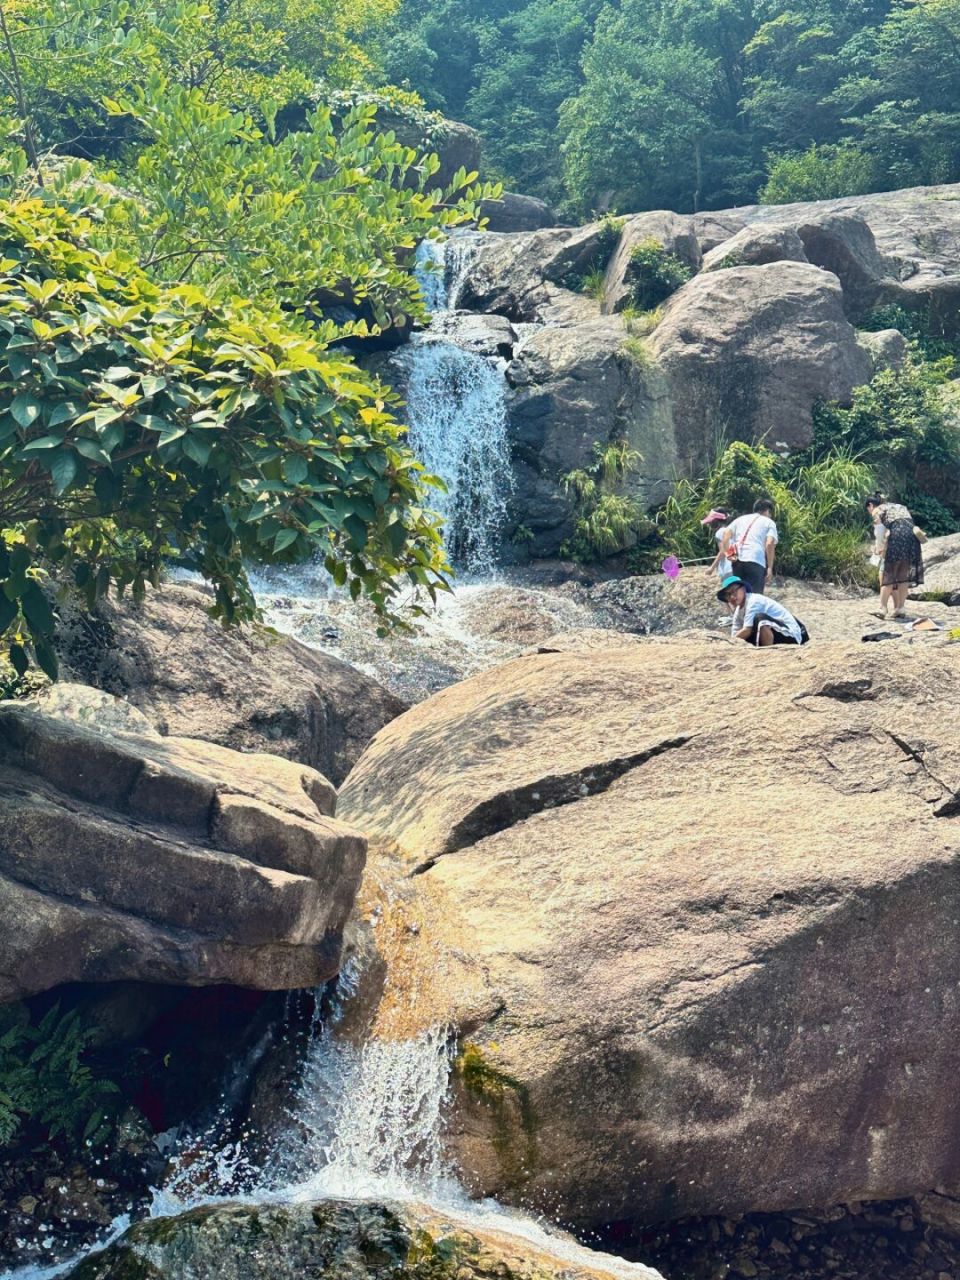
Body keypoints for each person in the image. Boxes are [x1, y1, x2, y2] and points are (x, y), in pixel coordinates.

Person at [865, 492, 924, 619]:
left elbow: (880, 532)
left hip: (897, 538)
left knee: (889, 575)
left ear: (870, 505)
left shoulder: (877, 510)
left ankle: (883, 608)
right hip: (912, 537)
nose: (869, 511)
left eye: (868, 509)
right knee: (903, 575)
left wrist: (879, 549)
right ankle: (900, 608)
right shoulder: (898, 506)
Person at [717, 573, 808, 646]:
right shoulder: (738, 611)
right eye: (728, 595)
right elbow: (736, 634)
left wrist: (729, 641)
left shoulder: (753, 601)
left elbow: (747, 630)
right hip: (775, 633)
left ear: (743, 589)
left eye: (734, 591)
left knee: (760, 619)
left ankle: (766, 651)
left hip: (790, 635)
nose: (732, 597)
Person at [720, 498, 778, 594]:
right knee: (755, 596)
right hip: (755, 559)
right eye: (770, 512)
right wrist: (770, 567)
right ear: (767, 510)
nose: (770, 515)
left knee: (740, 594)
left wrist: (730, 555)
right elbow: (769, 543)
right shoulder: (769, 522)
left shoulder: (740, 519)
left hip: (737, 561)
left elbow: (725, 535)